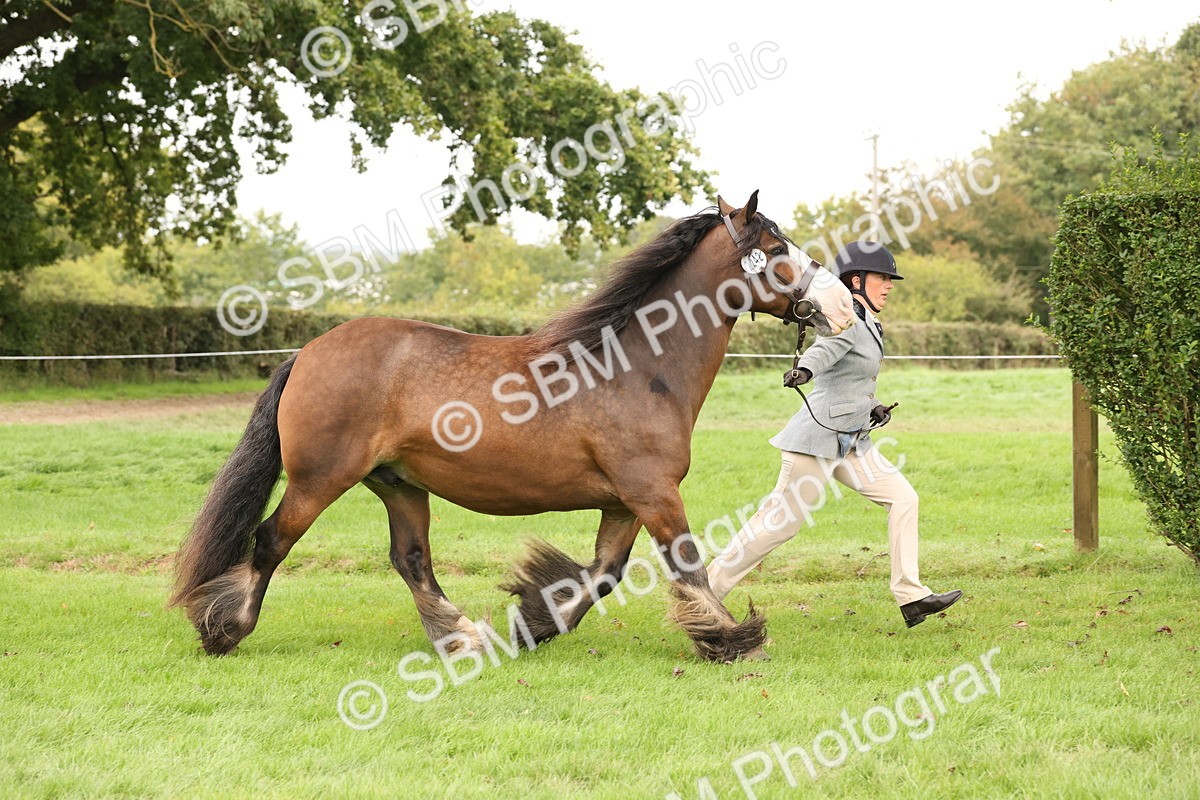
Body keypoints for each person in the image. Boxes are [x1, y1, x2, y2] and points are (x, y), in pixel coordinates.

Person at [705, 241, 961, 628]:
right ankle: (705, 593)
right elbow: (826, 349)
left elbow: (853, 378)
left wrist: (873, 406)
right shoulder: (847, 319)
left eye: (890, 280)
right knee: (780, 523)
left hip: (852, 440)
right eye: (882, 278)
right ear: (856, 281)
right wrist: (805, 370)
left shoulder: (870, 321)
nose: (889, 286)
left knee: (903, 498)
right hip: (818, 438)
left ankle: (911, 596)